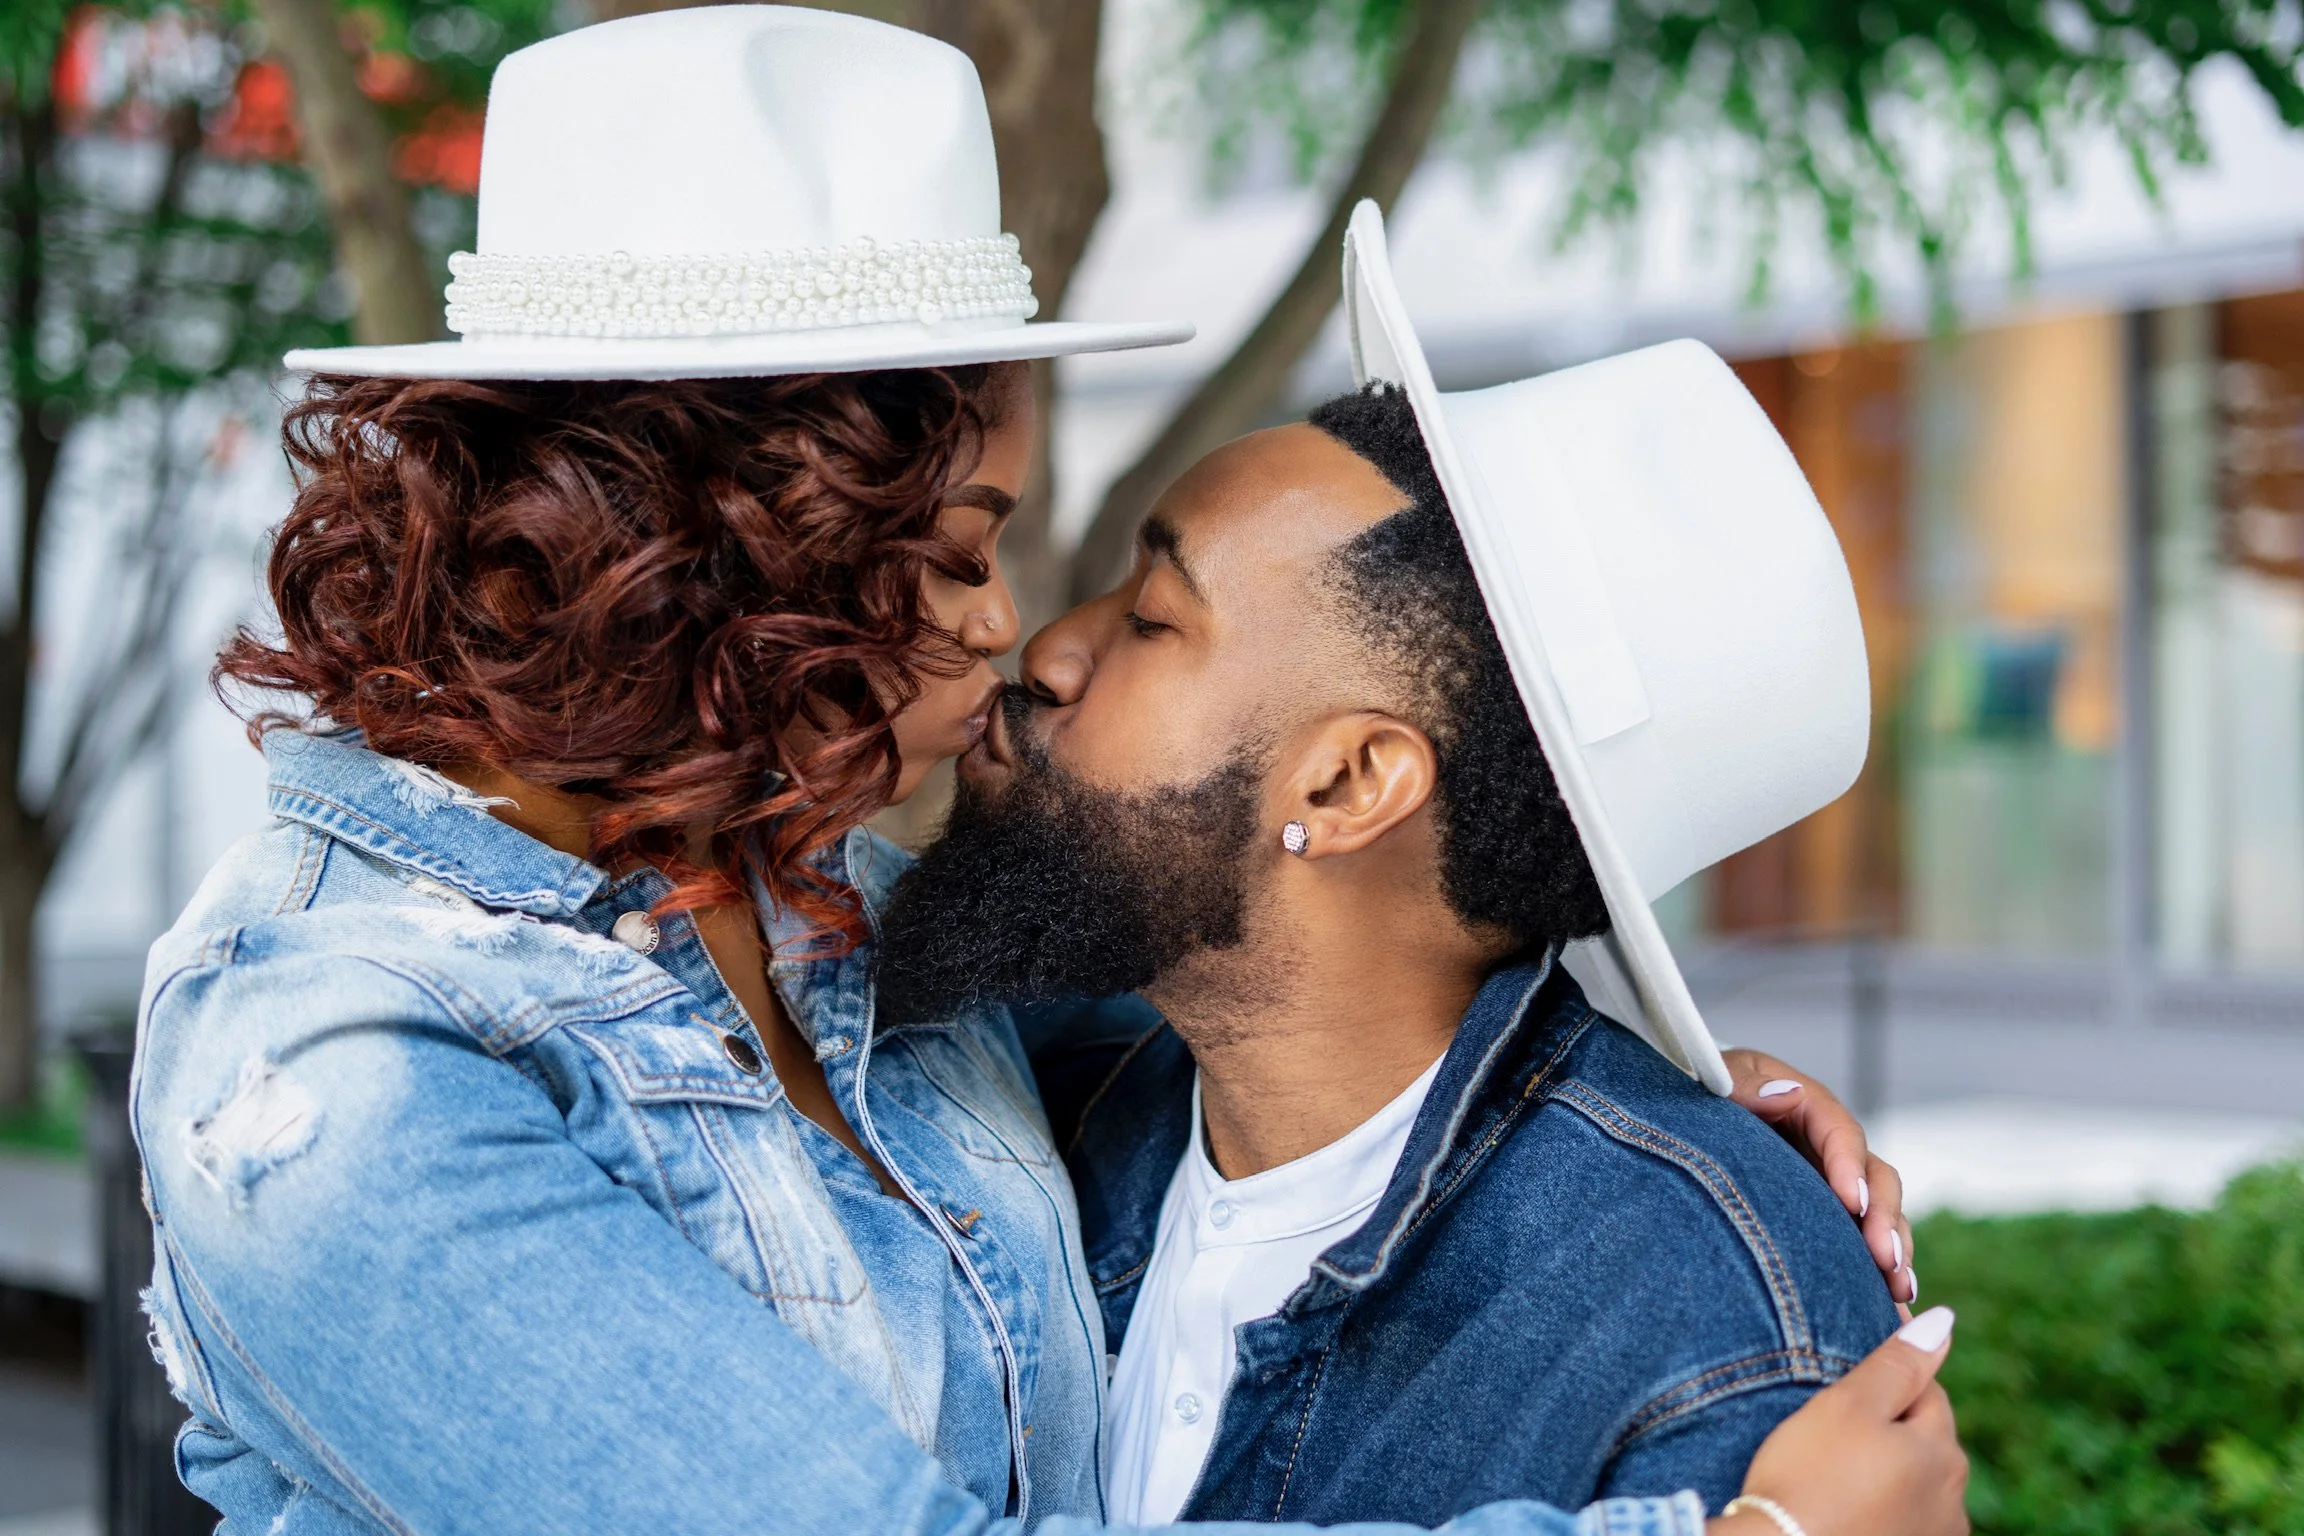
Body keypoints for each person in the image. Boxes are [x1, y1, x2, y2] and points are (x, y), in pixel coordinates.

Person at [132, 9, 1964, 1536]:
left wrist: (1662, 1091)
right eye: (959, 546)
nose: (1017, 625)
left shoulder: (824, 908)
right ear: (719, 560)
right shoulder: (332, 1062)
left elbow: (1300, 1015)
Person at [873, 206, 1927, 1530]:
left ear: (1350, 783)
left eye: (1151, 618)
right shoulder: (1018, 1102)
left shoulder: (1714, 1323)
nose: (1047, 651)